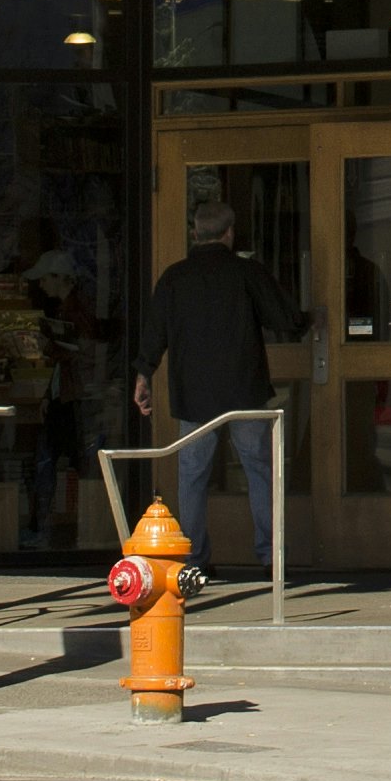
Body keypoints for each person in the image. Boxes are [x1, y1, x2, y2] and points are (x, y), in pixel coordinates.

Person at [133, 199, 299, 587]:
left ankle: (193, 561)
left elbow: (154, 332)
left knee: (191, 477)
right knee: (260, 473)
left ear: (195, 233)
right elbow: (283, 319)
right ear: (229, 233)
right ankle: (271, 559)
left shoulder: (174, 277)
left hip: (194, 394)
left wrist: (144, 374)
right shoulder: (245, 272)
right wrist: (311, 319)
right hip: (244, 391)